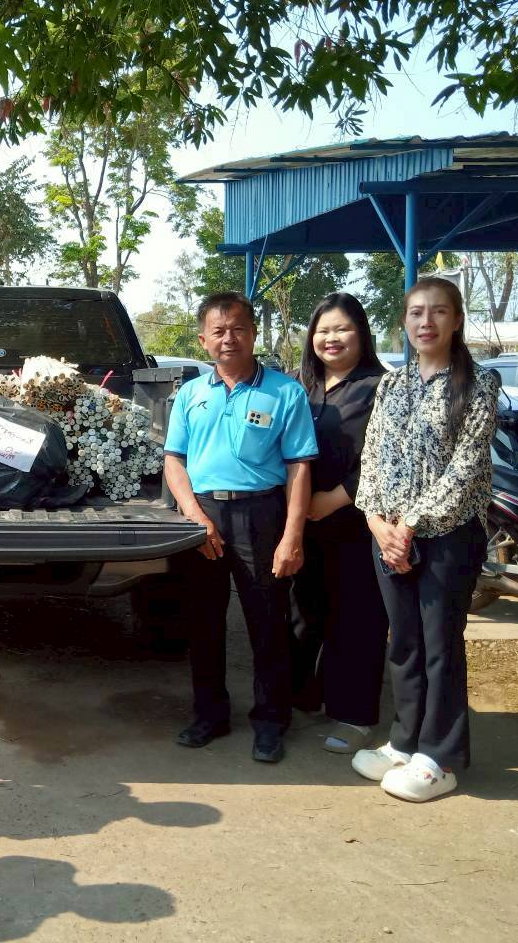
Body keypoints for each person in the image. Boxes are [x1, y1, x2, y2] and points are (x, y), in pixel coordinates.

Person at [351, 276, 498, 802]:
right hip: (388, 533)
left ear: (456, 320)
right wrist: (376, 522)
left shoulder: (479, 385)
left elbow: (466, 468)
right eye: (415, 313)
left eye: (438, 312)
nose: (425, 322)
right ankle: (404, 741)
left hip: (446, 536)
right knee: (405, 642)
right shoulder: (392, 385)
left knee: (441, 646)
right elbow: (370, 458)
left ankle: (441, 755)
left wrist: (410, 523)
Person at [163, 291, 319, 763]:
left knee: (267, 623)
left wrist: (293, 535)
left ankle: (271, 721)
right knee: (203, 620)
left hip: (261, 515)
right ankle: (209, 715)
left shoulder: (284, 392)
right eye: (218, 330)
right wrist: (194, 515)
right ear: (204, 339)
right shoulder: (191, 394)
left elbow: (299, 467)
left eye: (238, 329)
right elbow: (174, 460)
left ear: (253, 334)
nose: (228, 338)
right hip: (202, 515)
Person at [290, 293, 391, 754]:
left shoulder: (382, 388)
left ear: (362, 335)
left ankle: (354, 715)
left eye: (342, 330)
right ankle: (305, 694)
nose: (331, 338)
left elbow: (389, 457)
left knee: (356, 618)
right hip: (299, 523)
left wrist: (336, 497)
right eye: (323, 330)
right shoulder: (298, 386)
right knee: (306, 612)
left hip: (355, 521)